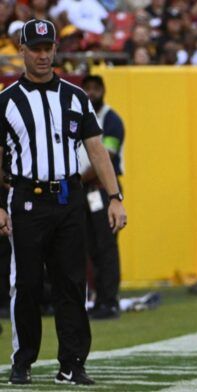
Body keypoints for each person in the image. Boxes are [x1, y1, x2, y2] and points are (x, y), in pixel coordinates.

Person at [0, 19, 126, 385]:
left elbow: (97, 149)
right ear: (22, 50)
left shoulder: (75, 96)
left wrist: (114, 197)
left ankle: (72, 363)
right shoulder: (6, 102)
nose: (42, 55)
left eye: (47, 48)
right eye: (35, 48)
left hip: (69, 198)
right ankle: (23, 361)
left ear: (55, 49)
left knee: (72, 284)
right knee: (26, 284)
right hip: (26, 198)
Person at [79, 74, 125, 320]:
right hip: (86, 190)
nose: (91, 93)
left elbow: (106, 157)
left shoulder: (111, 119)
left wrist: (77, 180)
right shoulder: (82, 118)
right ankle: (99, 299)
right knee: (92, 247)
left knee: (106, 246)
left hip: (103, 189)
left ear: (103, 90)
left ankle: (110, 300)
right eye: (87, 89)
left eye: (95, 89)